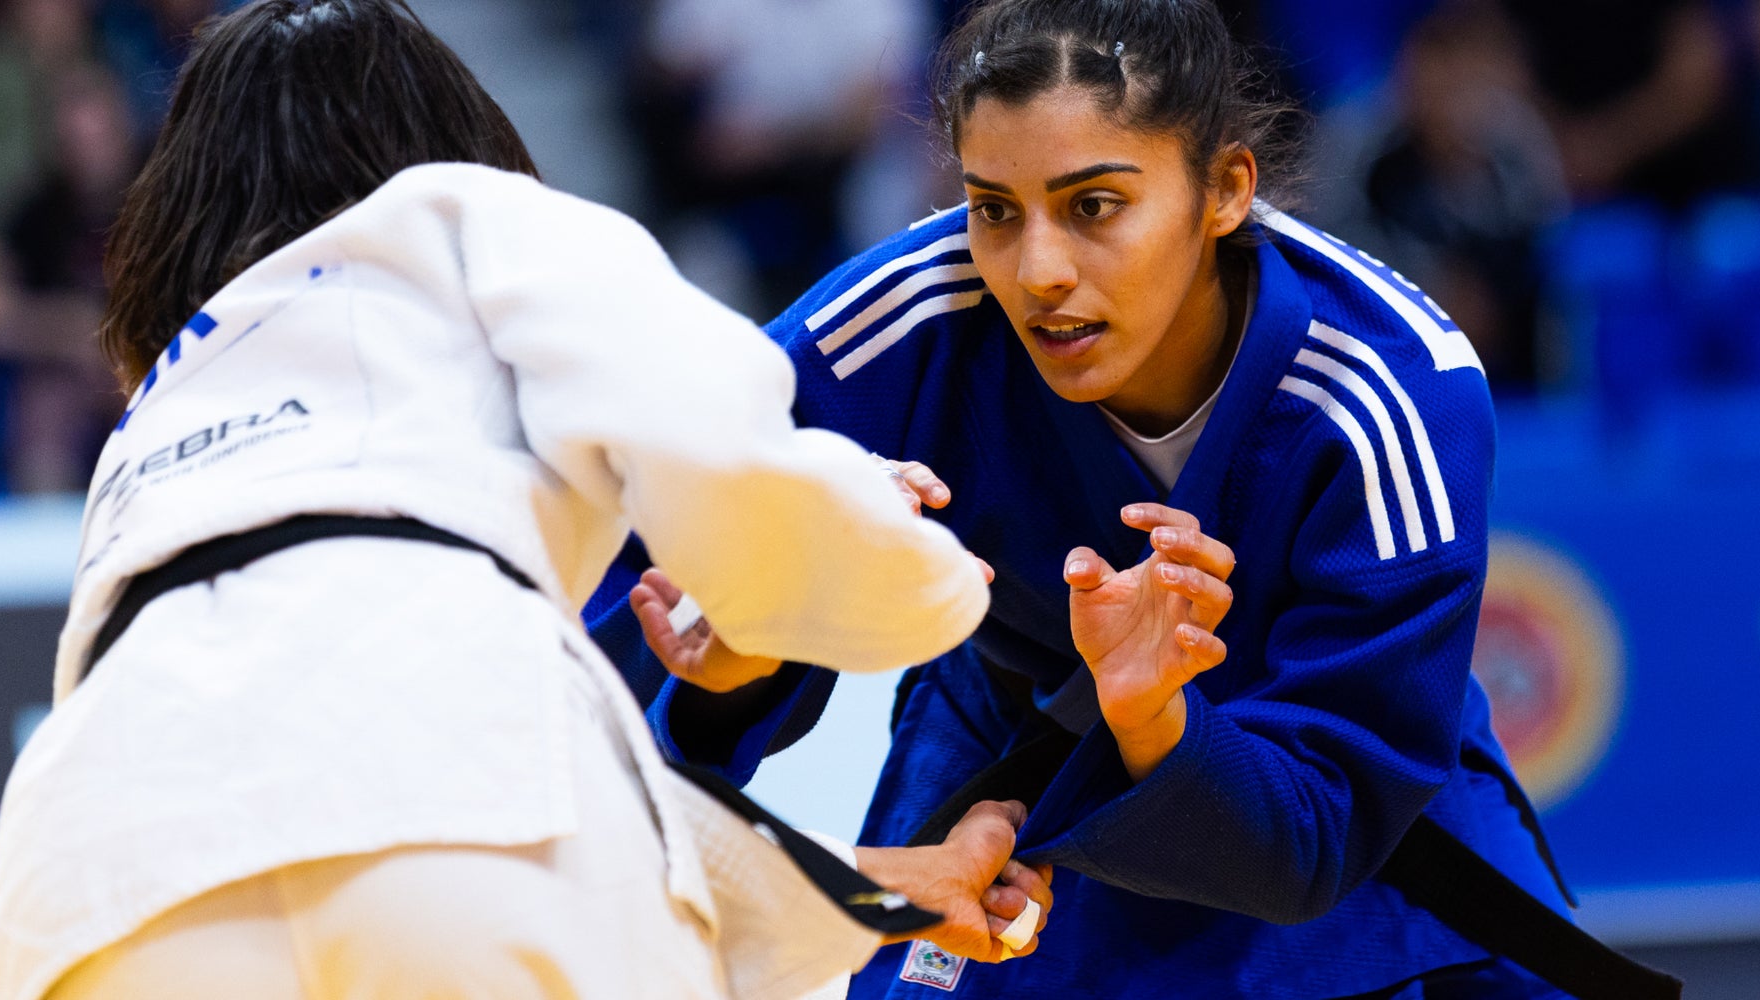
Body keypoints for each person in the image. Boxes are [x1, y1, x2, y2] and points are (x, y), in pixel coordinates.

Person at [0, 2, 1050, 998]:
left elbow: (331, 803)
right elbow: (475, 817)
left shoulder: (160, 423)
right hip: (466, 834)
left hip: (69, 877)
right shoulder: (458, 213)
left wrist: (885, 895)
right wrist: (924, 578)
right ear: (447, 137)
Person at [593, 0, 1655, 996]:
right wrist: (742, 653)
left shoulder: (1390, 389)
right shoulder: (897, 323)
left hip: (1328, 810)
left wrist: (1150, 712)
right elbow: (611, 656)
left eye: (1093, 204)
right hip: (1006, 744)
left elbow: (1315, 835)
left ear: (1226, 189)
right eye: (991, 209)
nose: (1037, 267)